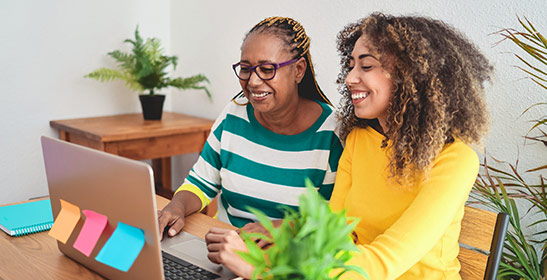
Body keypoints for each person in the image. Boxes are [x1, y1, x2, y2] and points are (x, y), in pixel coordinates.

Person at [204, 13, 492, 279]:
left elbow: (383, 261)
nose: (350, 78)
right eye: (351, 65)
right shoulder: (359, 139)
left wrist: (260, 270)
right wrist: (279, 244)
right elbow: (333, 233)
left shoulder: (455, 160)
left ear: (410, 75)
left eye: (366, 66)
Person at [158, 16, 343, 241]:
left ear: (299, 70)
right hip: (223, 248)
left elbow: (332, 219)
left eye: (266, 69)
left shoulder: (331, 134)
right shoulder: (233, 115)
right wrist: (176, 206)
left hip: (288, 262)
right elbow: (201, 183)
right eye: (246, 69)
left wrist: (281, 229)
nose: (253, 81)